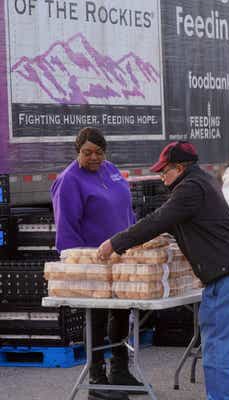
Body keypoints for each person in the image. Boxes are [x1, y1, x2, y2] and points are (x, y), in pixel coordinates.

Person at [96, 141, 229, 400]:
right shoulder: (203, 182)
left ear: (181, 168)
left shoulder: (189, 189)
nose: (161, 176)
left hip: (228, 274)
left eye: (165, 170)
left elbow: (157, 220)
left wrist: (115, 243)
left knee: (218, 351)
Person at [51, 128, 137, 400]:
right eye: (87, 152)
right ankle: (97, 377)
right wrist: (78, 265)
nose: (94, 158)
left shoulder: (110, 169)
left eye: (99, 152)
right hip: (92, 260)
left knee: (123, 311)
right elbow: (66, 226)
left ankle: (120, 370)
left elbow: (125, 208)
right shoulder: (69, 181)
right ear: (77, 151)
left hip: (121, 257)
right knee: (97, 317)